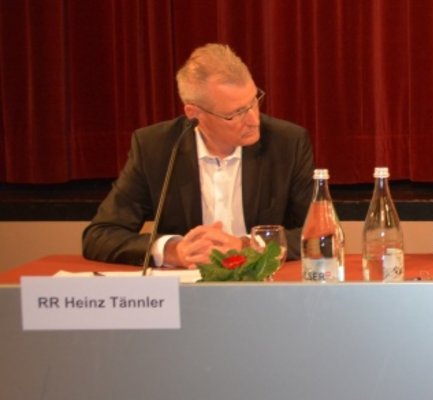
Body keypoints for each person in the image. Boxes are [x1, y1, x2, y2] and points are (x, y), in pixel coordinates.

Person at [82, 43, 315, 267]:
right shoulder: (156, 148)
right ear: (195, 113)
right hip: (188, 287)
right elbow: (100, 235)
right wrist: (173, 250)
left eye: (254, 101)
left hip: (263, 286)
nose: (254, 120)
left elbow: (320, 236)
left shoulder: (287, 143)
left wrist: (248, 246)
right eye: (236, 113)